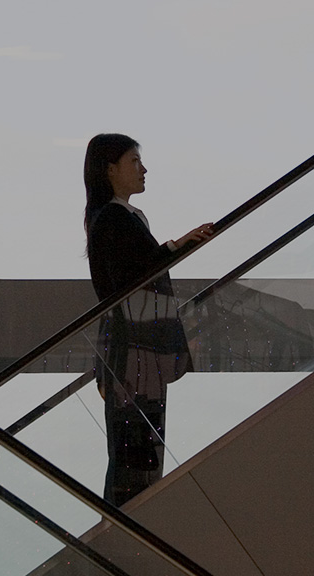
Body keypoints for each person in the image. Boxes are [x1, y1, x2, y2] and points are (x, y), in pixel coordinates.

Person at [81, 133, 214, 505]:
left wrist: (174, 247)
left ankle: (129, 531)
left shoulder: (116, 216)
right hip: (134, 352)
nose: (143, 169)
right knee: (135, 453)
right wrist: (174, 247)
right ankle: (127, 534)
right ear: (110, 169)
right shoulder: (113, 217)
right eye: (134, 161)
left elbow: (135, 274)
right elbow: (131, 280)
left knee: (138, 452)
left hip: (137, 352)